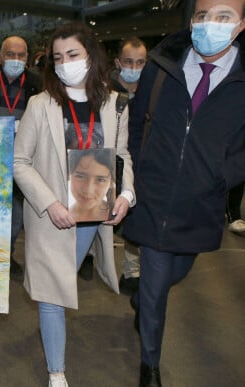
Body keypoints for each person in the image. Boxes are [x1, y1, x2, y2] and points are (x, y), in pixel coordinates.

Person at [123, 0, 245, 385]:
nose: (211, 25)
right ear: (191, 21)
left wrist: (222, 176)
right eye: (202, 16)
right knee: (158, 288)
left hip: (201, 203)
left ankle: (141, 297)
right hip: (155, 196)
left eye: (223, 17)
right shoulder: (161, 68)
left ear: (240, 25)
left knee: (177, 271)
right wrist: (142, 173)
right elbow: (137, 126)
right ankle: (151, 365)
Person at [13, 22, 135, 387]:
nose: (65, 63)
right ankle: (56, 371)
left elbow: (122, 155)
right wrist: (49, 203)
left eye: (73, 54)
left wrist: (127, 194)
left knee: (64, 284)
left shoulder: (116, 104)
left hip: (94, 214)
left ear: (90, 55)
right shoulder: (40, 105)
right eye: (58, 57)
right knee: (53, 292)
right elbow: (19, 162)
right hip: (53, 216)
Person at [0, 35, 42, 276]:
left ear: (28, 58)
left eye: (21, 55)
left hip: (24, 160)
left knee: (16, 217)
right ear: (1, 56)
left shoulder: (37, 84)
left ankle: (8, 254)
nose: (15, 59)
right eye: (10, 54)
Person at [109, 37, 148, 294]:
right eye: (129, 61)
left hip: (141, 164)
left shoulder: (151, 91)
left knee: (137, 221)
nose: (134, 67)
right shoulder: (103, 89)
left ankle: (131, 272)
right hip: (108, 162)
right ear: (118, 62)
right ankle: (88, 257)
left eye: (140, 62)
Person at [68, 148, 116, 222]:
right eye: (80, 176)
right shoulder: (59, 214)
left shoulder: (114, 214)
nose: (88, 190)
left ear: (111, 183)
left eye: (100, 180)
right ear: (68, 175)